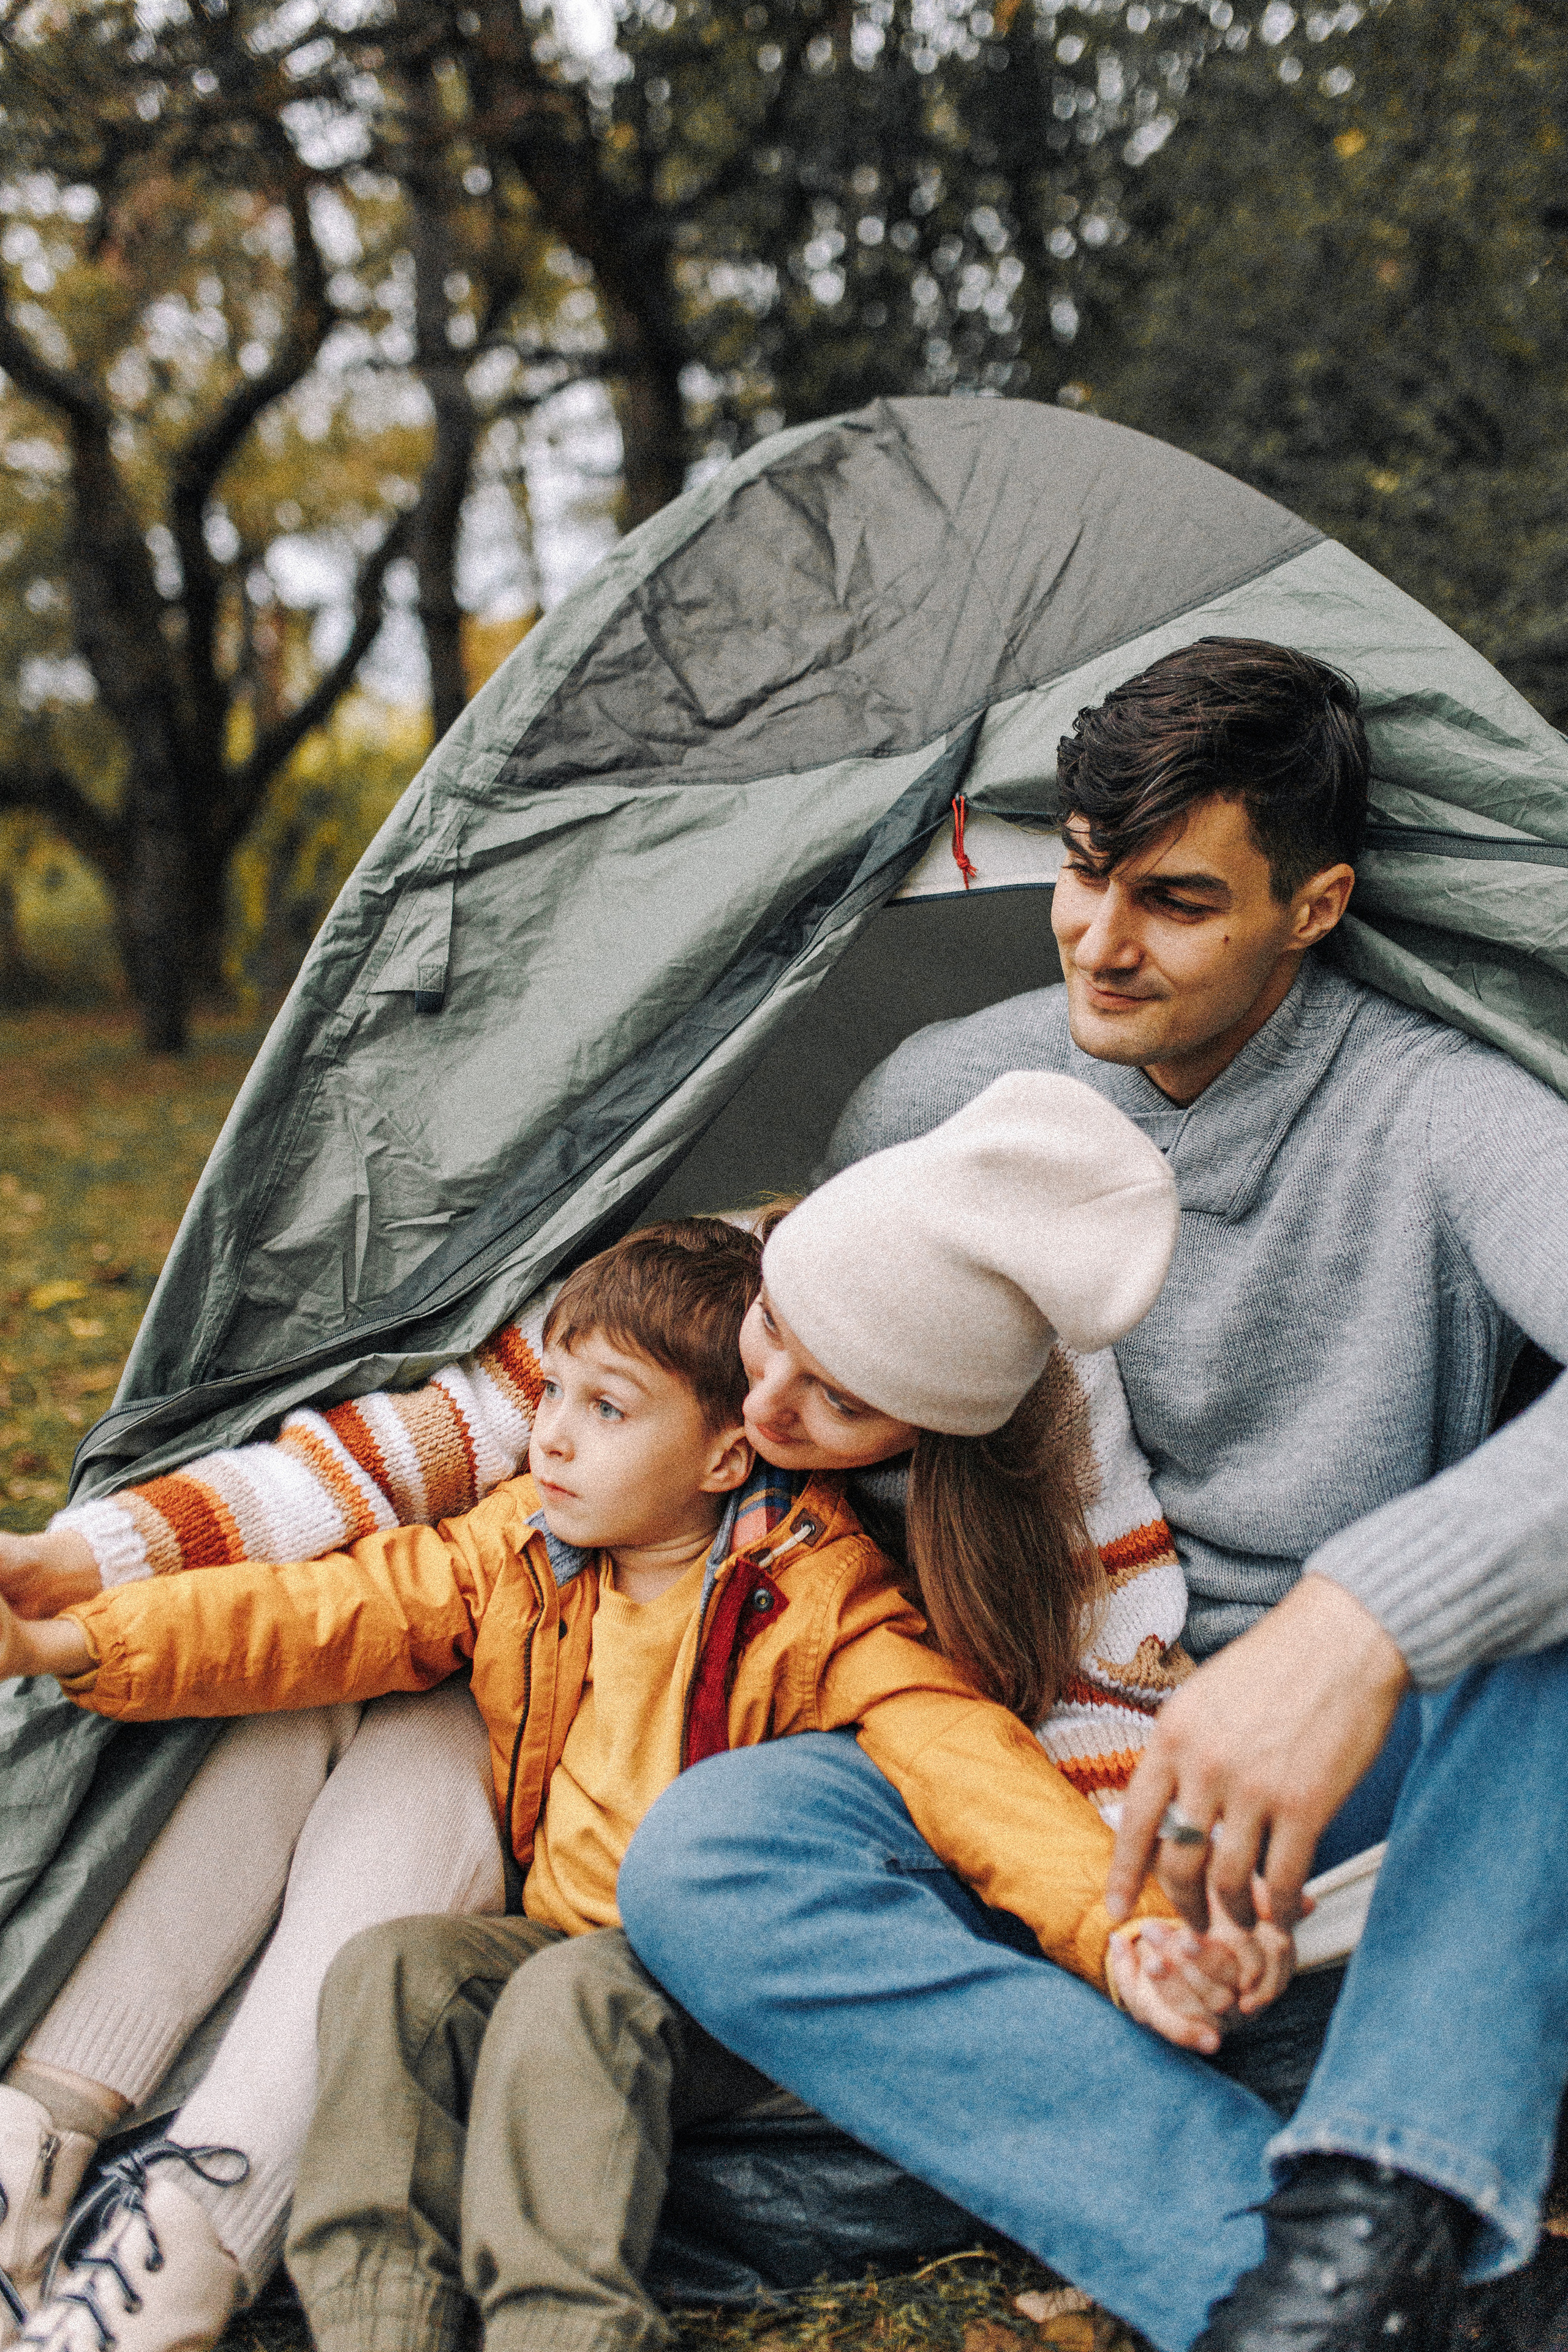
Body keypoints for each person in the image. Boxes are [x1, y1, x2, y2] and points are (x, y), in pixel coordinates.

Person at [614, 636, 1568, 2352]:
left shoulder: (1444, 1115)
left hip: (1354, 1767)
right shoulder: (941, 1098)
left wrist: (1354, 1628)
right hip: (1059, 1753)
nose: (1101, 941)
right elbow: (821, 1423)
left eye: (1178, 901)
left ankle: (1384, 2190)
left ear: (1316, 902)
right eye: (1078, 872)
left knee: (1549, 1629)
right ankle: (1311, 2286)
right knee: (714, 1854)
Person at [0, 1166, 1250, 2352]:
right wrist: (74, 1631)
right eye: (552, 1396)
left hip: (681, 1971)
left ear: (720, 1462)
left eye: (602, 1412)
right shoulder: (532, 1540)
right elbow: (327, 1609)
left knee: (569, 2007)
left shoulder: (822, 1607)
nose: (549, 1439)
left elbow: (976, 1773)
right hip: (548, 1918)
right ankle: (373, 2314)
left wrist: (1120, 1923)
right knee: (395, 1972)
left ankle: (562, 2323)